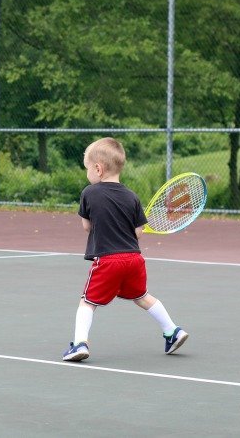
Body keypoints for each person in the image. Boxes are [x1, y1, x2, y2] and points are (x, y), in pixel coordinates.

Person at [62, 137, 188, 362]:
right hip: (134, 260)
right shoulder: (132, 196)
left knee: (87, 302)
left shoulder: (89, 193)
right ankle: (172, 331)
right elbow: (138, 232)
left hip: (108, 261)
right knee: (142, 297)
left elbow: (86, 226)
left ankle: (80, 343)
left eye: (87, 169)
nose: (87, 174)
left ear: (98, 169)